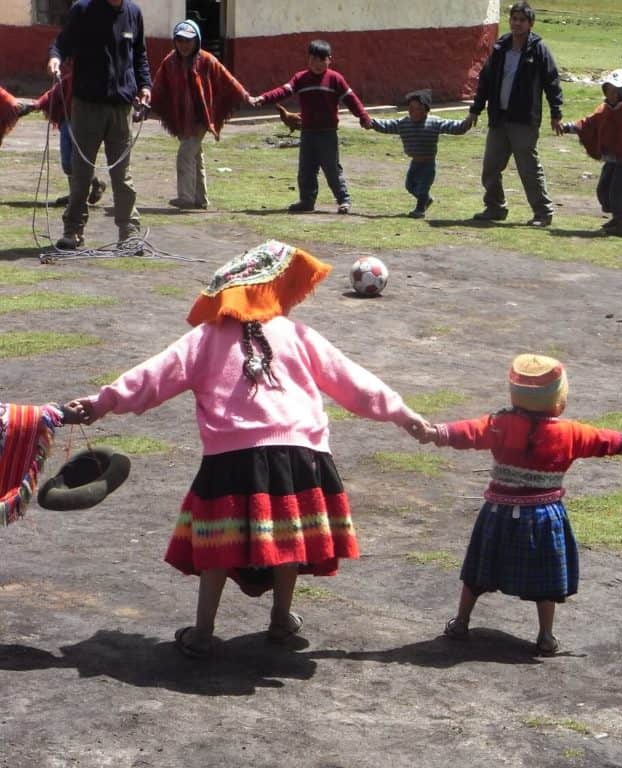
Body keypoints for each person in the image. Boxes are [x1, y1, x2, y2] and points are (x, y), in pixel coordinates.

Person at [62, 240, 428, 657]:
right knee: (288, 538)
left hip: (232, 456)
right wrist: (403, 413)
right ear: (273, 290)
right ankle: (281, 619)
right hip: (299, 452)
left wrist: (100, 403)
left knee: (219, 542)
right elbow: (352, 381)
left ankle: (203, 632)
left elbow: (152, 376)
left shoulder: (204, 338)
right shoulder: (298, 335)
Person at [413, 354, 622, 655]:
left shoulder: (500, 424)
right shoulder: (570, 432)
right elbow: (602, 440)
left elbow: (467, 431)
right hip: (544, 516)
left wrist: (434, 432)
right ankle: (545, 636)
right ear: (558, 400)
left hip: (498, 513)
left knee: (479, 570)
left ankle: (461, 622)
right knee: (547, 579)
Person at [47, 0, 151, 250]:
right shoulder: (83, 10)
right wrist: (54, 59)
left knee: (122, 175)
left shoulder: (134, 13)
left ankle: (129, 233)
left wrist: (146, 86)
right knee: (81, 171)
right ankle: (73, 230)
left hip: (121, 107)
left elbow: (139, 56)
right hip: (87, 105)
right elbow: (61, 43)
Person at [468, 1, 564, 227]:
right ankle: (495, 207)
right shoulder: (501, 47)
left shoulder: (538, 50)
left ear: (530, 24)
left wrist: (555, 112)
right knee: (490, 167)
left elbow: (552, 82)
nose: (517, 23)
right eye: (514, 19)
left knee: (529, 168)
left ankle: (543, 212)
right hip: (499, 118)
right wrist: (476, 109)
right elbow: (486, 80)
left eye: (522, 20)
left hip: (524, 120)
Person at [252, 40, 372, 214]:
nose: (316, 64)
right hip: (307, 132)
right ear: (308, 59)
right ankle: (307, 201)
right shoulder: (300, 78)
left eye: (321, 60)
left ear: (329, 59)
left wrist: (363, 117)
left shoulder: (335, 79)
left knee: (331, 168)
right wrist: (263, 98)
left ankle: (344, 200)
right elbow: (283, 91)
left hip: (328, 133)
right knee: (306, 169)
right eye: (312, 59)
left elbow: (351, 99)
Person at [149, 19, 250, 210]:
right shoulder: (170, 62)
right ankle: (200, 198)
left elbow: (228, 80)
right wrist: (146, 103)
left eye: (188, 40)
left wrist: (246, 96)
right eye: (180, 40)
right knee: (195, 156)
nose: (184, 45)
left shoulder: (207, 60)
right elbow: (158, 87)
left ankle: (185, 197)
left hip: (201, 118)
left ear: (197, 41)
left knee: (185, 154)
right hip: (182, 117)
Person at [561, 69, 622, 237]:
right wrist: (568, 127)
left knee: (618, 191)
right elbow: (588, 124)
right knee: (603, 190)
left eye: (615, 91)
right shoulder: (604, 110)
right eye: (609, 90)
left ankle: (621, 223)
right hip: (611, 158)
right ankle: (615, 218)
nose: (611, 94)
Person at [367, 89, 473, 218]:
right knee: (409, 185)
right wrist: (370, 122)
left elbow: (456, 127)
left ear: (425, 110)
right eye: (410, 108)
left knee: (423, 188)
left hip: (428, 163)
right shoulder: (404, 123)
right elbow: (387, 125)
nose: (411, 111)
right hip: (415, 162)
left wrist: (469, 120)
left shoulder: (434, 122)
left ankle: (420, 209)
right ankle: (426, 200)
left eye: (416, 108)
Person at [31, 73, 106, 207]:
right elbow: (53, 94)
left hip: (86, 123)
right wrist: (36, 105)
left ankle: (77, 198)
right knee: (67, 162)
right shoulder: (69, 78)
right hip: (67, 121)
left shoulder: (98, 77)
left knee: (80, 161)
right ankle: (91, 185)